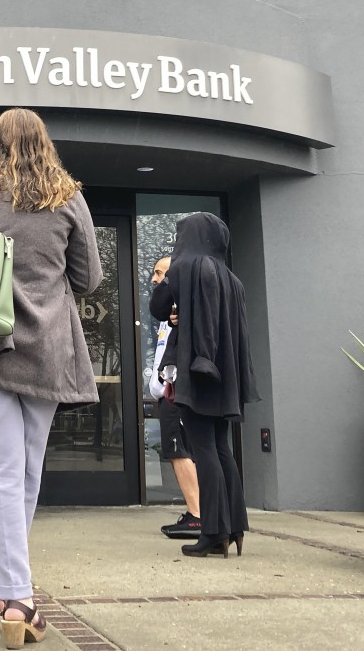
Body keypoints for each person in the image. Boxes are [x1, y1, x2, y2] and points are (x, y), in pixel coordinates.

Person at [0, 108, 101, 647]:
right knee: (24, 473)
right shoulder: (67, 195)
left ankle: (17, 596)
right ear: (44, 143)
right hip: (48, 350)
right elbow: (89, 277)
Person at [150, 213, 259, 559]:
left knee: (202, 449)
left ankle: (212, 531)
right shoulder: (231, 279)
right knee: (221, 447)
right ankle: (234, 526)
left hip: (197, 370)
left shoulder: (185, 269)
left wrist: (170, 292)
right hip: (226, 375)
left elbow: (156, 306)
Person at [149, 255, 201, 540]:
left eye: (160, 274)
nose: (155, 279)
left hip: (175, 394)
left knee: (179, 451)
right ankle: (197, 512)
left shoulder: (182, 313)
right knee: (178, 452)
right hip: (167, 393)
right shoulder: (167, 316)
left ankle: (197, 515)